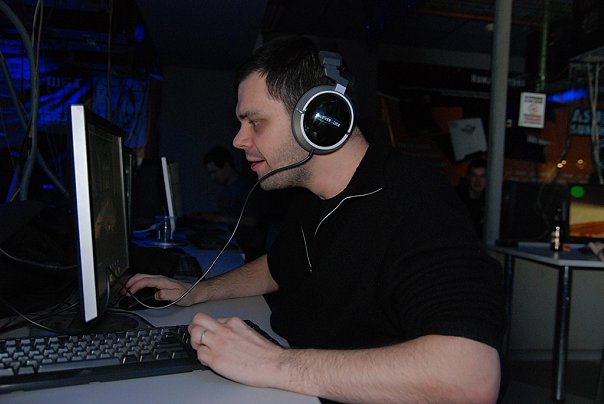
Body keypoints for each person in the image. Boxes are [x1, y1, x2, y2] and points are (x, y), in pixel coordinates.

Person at [125, 36, 505, 403]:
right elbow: (278, 266)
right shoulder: (313, 195)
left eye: (255, 122)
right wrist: (200, 290)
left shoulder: (414, 202)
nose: (239, 140)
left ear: (320, 122)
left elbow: (472, 377)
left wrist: (273, 364)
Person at [191, 145, 266, 260]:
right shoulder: (226, 189)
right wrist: (209, 216)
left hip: (246, 248)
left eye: (215, 172)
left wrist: (219, 219)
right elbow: (228, 213)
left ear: (226, 166)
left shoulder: (246, 187)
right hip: (230, 243)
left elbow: (252, 221)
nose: (212, 177)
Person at [455, 158, 487, 239]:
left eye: (483, 176)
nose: (478, 181)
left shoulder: (490, 200)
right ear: (468, 177)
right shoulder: (456, 198)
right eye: (474, 175)